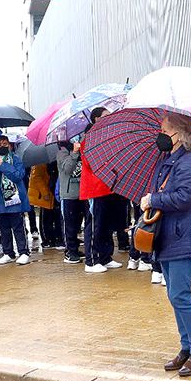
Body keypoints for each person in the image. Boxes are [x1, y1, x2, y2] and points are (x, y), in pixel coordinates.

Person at [141, 112, 191, 377]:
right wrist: (152, 197)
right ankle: (187, 347)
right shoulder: (171, 160)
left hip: (185, 235)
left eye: (164, 129)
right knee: (174, 295)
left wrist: (154, 200)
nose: (160, 134)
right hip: (171, 235)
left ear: (179, 134)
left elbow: (183, 197)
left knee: (180, 295)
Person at [80, 107, 125, 274]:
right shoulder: (89, 137)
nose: (109, 118)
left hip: (108, 187)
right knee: (94, 225)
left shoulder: (107, 135)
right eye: (106, 116)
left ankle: (105, 256)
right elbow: (89, 161)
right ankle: (91, 260)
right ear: (96, 119)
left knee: (106, 224)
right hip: (94, 187)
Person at [0, 135, 32, 266]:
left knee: (18, 227)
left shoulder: (15, 159)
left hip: (14, 200)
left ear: (9, 145)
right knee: (4, 229)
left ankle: (24, 252)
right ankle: (8, 253)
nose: (2, 146)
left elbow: (19, 176)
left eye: (5, 144)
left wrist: (3, 166)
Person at [55, 140, 86, 264]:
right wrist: (74, 153)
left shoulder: (81, 151)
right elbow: (67, 168)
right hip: (68, 195)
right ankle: (70, 251)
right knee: (69, 225)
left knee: (78, 224)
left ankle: (75, 249)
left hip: (82, 193)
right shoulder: (61, 153)